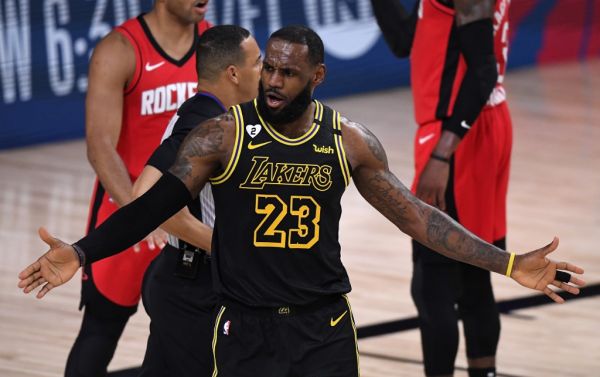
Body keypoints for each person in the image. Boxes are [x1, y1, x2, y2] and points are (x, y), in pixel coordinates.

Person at [19, 25, 584, 377]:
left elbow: (419, 218)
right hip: (243, 330)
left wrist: (508, 263)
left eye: (289, 73)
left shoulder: (349, 140)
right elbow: (151, 205)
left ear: (317, 76)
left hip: (324, 332)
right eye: (270, 67)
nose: (274, 81)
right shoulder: (222, 135)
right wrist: (84, 251)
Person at [370, 0, 513, 375]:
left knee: (433, 285)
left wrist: (443, 154)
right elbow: (406, 41)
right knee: (474, 273)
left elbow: (483, 69)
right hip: (480, 123)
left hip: (458, 133)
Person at [70, 1, 211, 375]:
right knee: (101, 328)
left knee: (199, 335)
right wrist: (141, 212)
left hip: (190, 216)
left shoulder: (217, 46)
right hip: (127, 207)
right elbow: (100, 146)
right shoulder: (120, 49)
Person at [132, 24, 262, 377]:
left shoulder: (222, 117)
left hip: (194, 281)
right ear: (233, 73)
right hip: (194, 287)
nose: (265, 72)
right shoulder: (199, 122)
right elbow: (145, 197)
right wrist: (227, 249)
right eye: (259, 62)